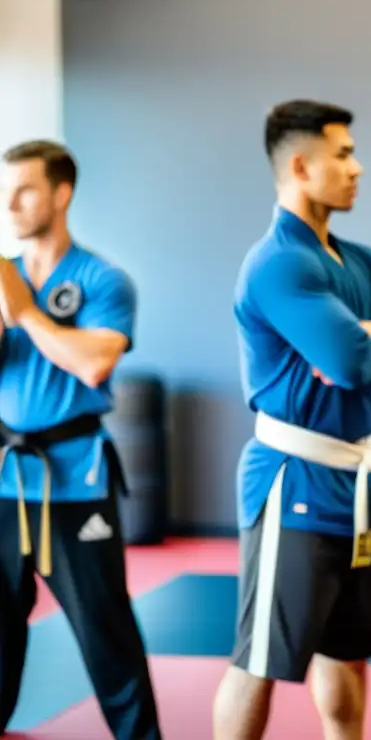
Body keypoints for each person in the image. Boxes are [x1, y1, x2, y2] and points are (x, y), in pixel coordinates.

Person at [212, 100, 371, 740]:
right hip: (293, 481)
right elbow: (346, 359)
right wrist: (367, 337)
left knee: (347, 647)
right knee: (259, 659)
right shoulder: (279, 263)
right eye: (344, 155)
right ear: (304, 167)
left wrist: (367, 339)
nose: (358, 168)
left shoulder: (359, 261)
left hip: (358, 478)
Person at [0, 140, 162, 739]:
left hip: (74, 477)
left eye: (26, 190)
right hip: (3, 476)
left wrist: (27, 314)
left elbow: (94, 363)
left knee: (104, 626)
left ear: (61, 194)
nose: (11, 204)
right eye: (6, 190)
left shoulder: (102, 279)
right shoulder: (2, 275)